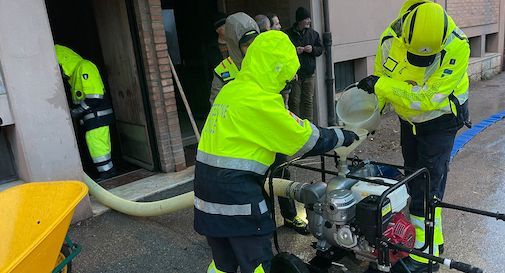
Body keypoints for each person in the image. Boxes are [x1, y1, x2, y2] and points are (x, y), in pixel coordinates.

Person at [194, 30, 359, 273]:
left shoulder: (232, 90)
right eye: (286, 79)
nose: (287, 86)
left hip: (206, 199)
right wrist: (343, 136)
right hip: (238, 200)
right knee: (259, 265)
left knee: (222, 264)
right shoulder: (261, 101)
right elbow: (305, 138)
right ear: (276, 70)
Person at [357, 1, 470, 272]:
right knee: (413, 178)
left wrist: (384, 85)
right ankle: (432, 242)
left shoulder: (458, 45)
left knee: (428, 183)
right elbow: (380, 83)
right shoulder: (389, 39)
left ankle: (425, 256)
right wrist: (366, 118)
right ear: (404, 34)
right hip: (409, 121)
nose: (420, 64)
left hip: (441, 119)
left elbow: (429, 99)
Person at [55, 45, 116, 180]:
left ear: (64, 61)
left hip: (97, 116)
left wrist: (78, 110)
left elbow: (95, 96)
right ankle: (106, 172)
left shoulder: (84, 67)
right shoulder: (74, 74)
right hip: (91, 117)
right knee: (95, 144)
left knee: (97, 144)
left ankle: (108, 173)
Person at [209, 12, 259, 105]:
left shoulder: (265, 63)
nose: (251, 48)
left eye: (254, 42)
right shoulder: (222, 71)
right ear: (235, 45)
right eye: (246, 45)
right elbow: (217, 107)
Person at [286, 7, 323, 121]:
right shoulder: (288, 34)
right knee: (295, 101)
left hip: (309, 74)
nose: (309, 21)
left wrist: (312, 49)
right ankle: (296, 126)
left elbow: (320, 50)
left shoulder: (313, 34)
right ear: (300, 20)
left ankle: (310, 126)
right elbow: (283, 51)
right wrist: (294, 51)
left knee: (308, 101)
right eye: (307, 19)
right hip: (295, 75)